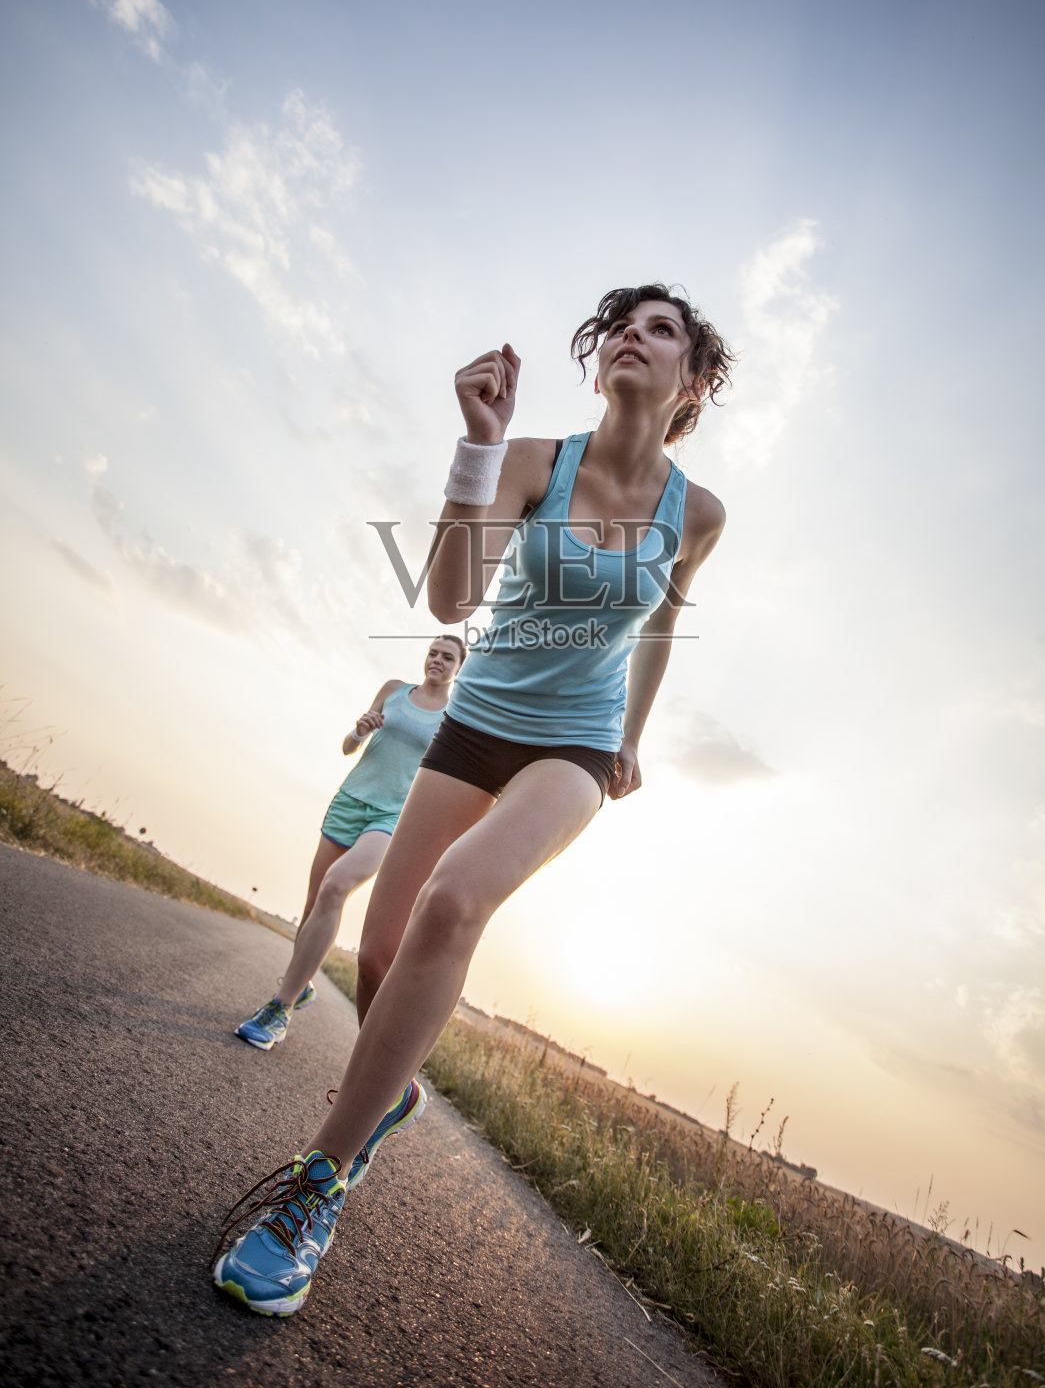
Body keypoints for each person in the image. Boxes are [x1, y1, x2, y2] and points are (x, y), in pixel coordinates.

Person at [212, 283, 734, 1315]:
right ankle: (388, 1088)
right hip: (472, 726)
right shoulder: (540, 457)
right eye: (620, 325)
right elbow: (451, 597)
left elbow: (661, 629)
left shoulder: (698, 514)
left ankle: (310, 1193)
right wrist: (479, 445)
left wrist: (627, 739)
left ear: (694, 379)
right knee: (380, 953)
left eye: (660, 328)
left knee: (454, 903)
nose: (634, 335)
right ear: (600, 359)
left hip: (571, 748)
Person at [233, 635, 465, 1050]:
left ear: (458, 668)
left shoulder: (455, 714)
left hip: (393, 817)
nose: (437, 661)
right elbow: (348, 747)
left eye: (447, 657)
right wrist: (358, 731)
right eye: (433, 653)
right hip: (350, 799)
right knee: (313, 906)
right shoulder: (394, 690)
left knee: (336, 885)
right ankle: (300, 984)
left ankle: (279, 1009)